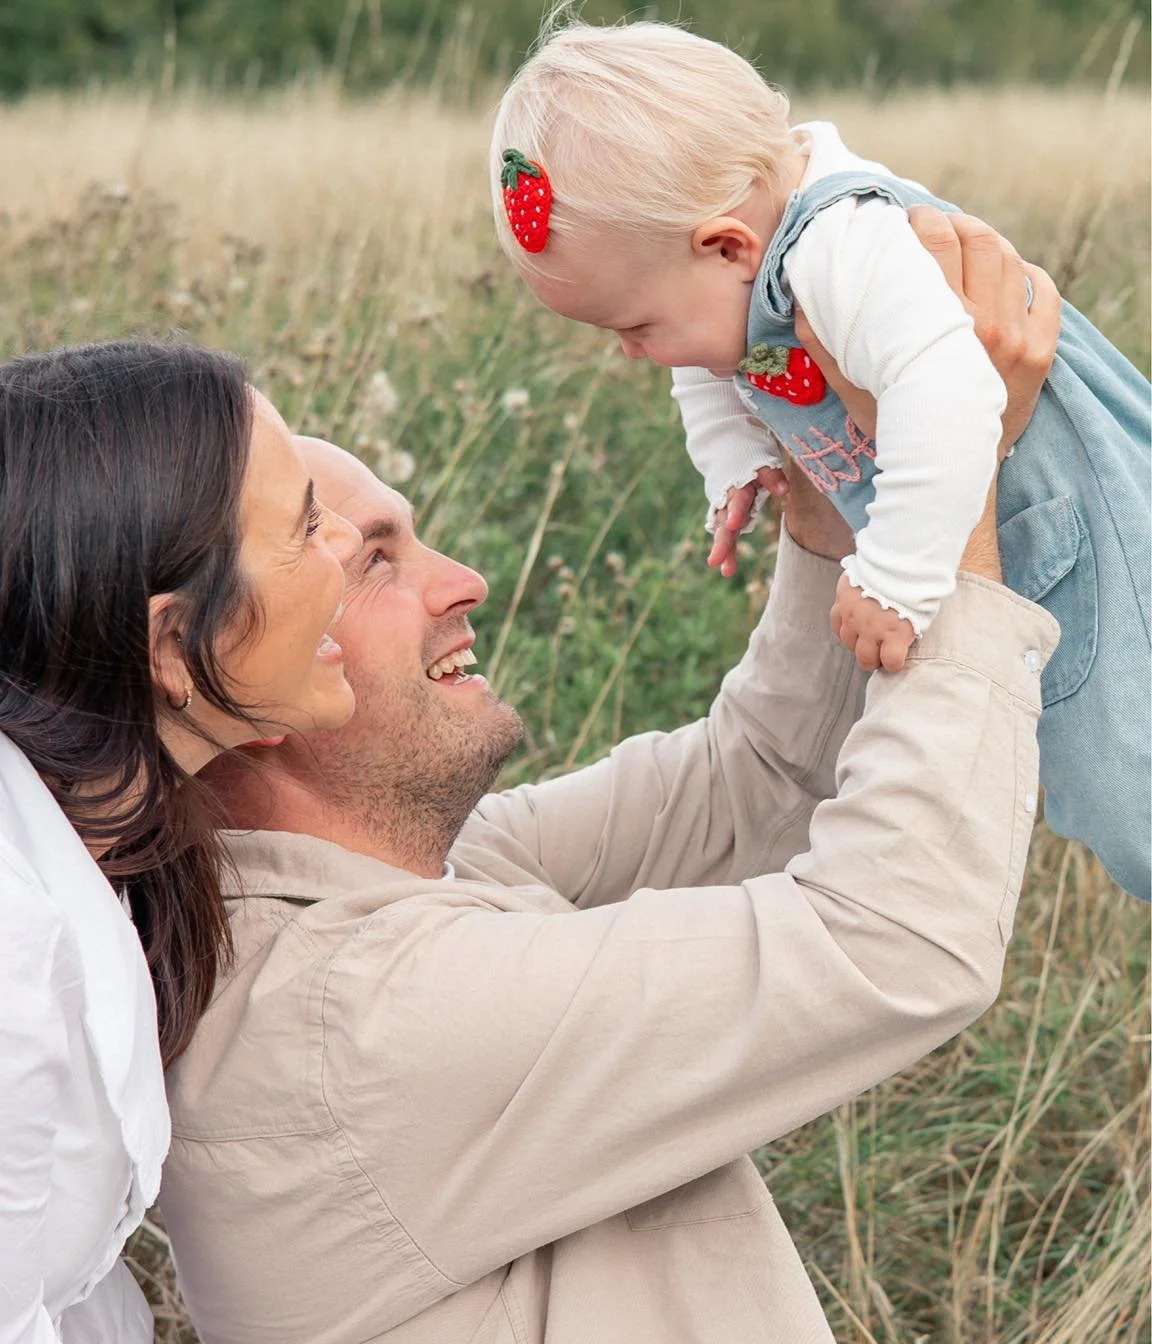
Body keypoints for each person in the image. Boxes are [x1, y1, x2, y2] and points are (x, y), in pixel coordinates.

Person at [159, 214, 1062, 1344]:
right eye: (368, 562)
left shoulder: (374, 881)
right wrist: (952, 507)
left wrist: (831, 490)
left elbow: (757, 779)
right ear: (217, 666)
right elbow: (894, 940)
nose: (461, 580)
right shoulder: (353, 1024)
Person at [488, 17, 1152, 902]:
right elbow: (708, 365)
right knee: (1076, 775)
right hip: (1005, 531)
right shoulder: (734, 269)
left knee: (1128, 785)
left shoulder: (841, 243)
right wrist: (733, 457)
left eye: (634, 327)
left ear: (728, 245)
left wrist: (896, 578)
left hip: (1073, 524)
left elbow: (952, 393)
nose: (635, 355)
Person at [0, 338, 361, 1344]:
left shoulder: (110, 843)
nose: (344, 544)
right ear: (172, 645)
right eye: (304, 525)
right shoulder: (9, 943)